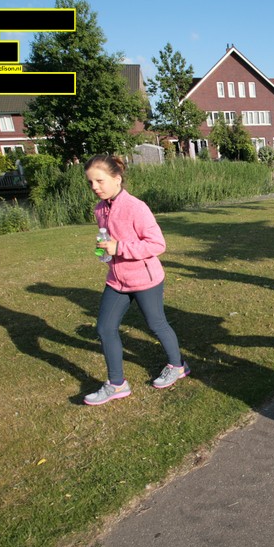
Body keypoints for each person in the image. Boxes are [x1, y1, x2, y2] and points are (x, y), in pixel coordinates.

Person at [83, 155, 189, 406]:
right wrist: (105, 250)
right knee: (105, 328)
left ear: (117, 179)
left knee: (156, 324)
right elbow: (108, 239)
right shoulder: (100, 209)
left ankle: (178, 366)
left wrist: (119, 247)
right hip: (117, 279)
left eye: (99, 181)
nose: (95, 187)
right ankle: (117, 384)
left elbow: (157, 244)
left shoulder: (136, 207)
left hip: (145, 279)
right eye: (90, 182)